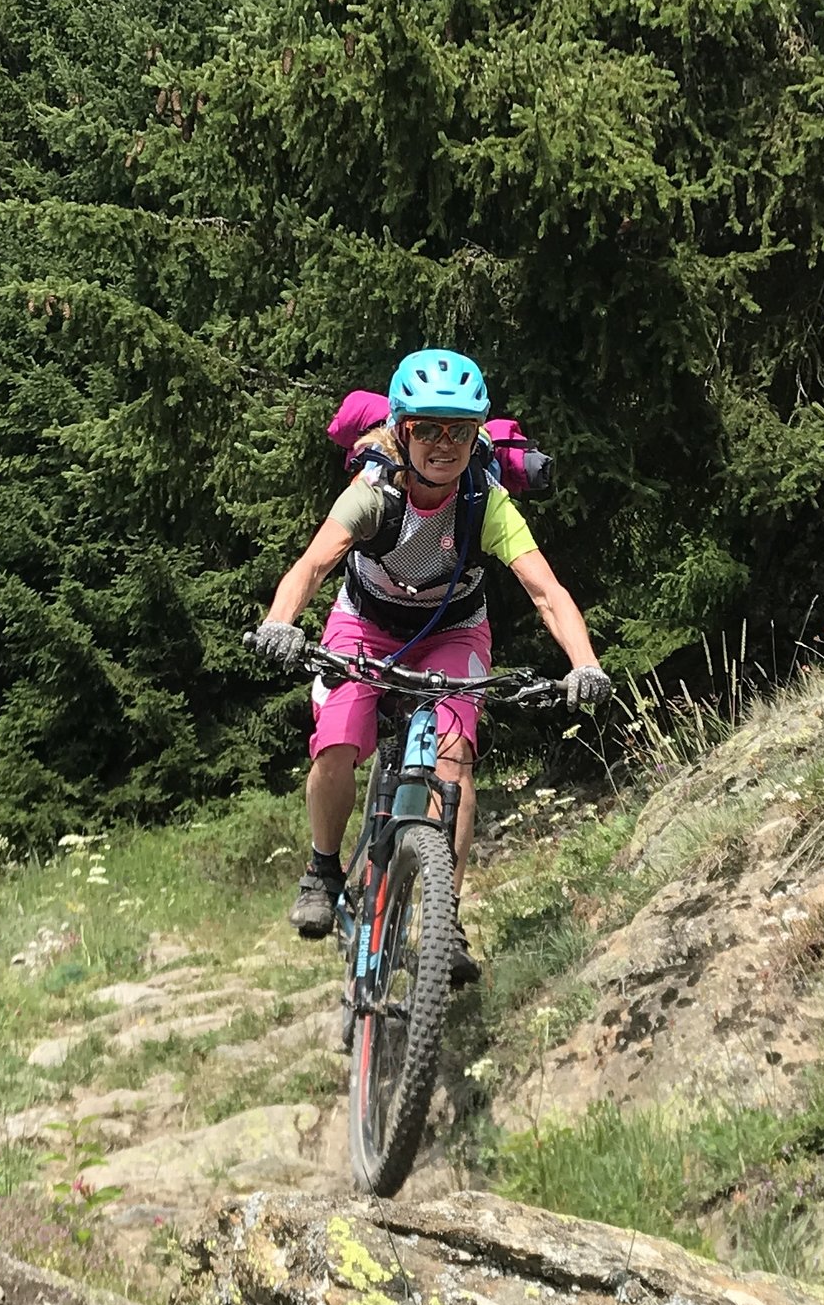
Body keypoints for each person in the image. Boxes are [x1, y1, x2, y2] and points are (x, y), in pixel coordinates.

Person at [250, 348, 610, 982]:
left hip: (453, 631)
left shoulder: (485, 500)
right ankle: (323, 867)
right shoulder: (374, 492)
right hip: (364, 625)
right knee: (335, 744)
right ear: (401, 429)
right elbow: (312, 565)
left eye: (461, 430)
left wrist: (585, 665)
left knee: (456, 762)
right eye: (428, 429)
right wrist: (280, 624)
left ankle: (447, 918)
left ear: (478, 434)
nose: (445, 444)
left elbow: (546, 592)